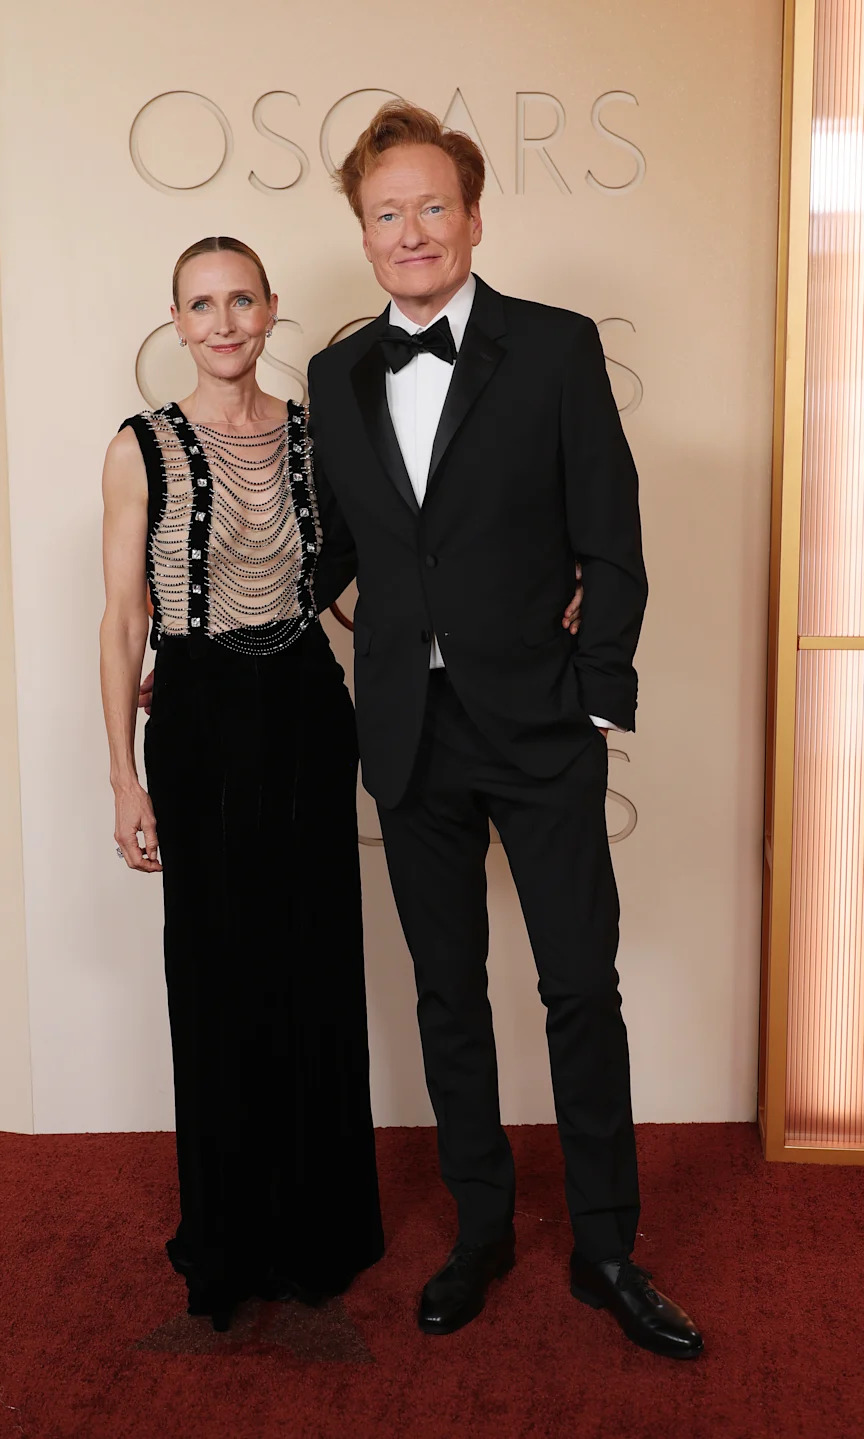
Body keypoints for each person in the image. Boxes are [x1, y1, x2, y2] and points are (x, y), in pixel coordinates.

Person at [303, 102, 703, 1359]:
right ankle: (480, 1227)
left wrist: (595, 691)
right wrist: (207, 633)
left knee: (579, 982)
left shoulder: (556, 347)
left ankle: (607, 1246)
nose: (411, 230)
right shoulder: (335, 375)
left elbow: (613, 540)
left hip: (538, 723)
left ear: (474, 217)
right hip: (408, 728)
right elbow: (343, 547)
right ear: (364, 234)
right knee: (446, 992)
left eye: (433, 205)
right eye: (387, 213)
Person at [99, 236, 383, 1330]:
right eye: (201, 304)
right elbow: (124, 618)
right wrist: (122, 776)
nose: (223, 323)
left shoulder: (319, 436)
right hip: (199, 717)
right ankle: (229, 1236)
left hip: (307, 706)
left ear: (271, 311)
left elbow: (373, 563)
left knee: (316, 958)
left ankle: (320, 1229)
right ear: (176, 320)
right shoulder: (139, 447)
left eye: (241, 300)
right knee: (217, 970)